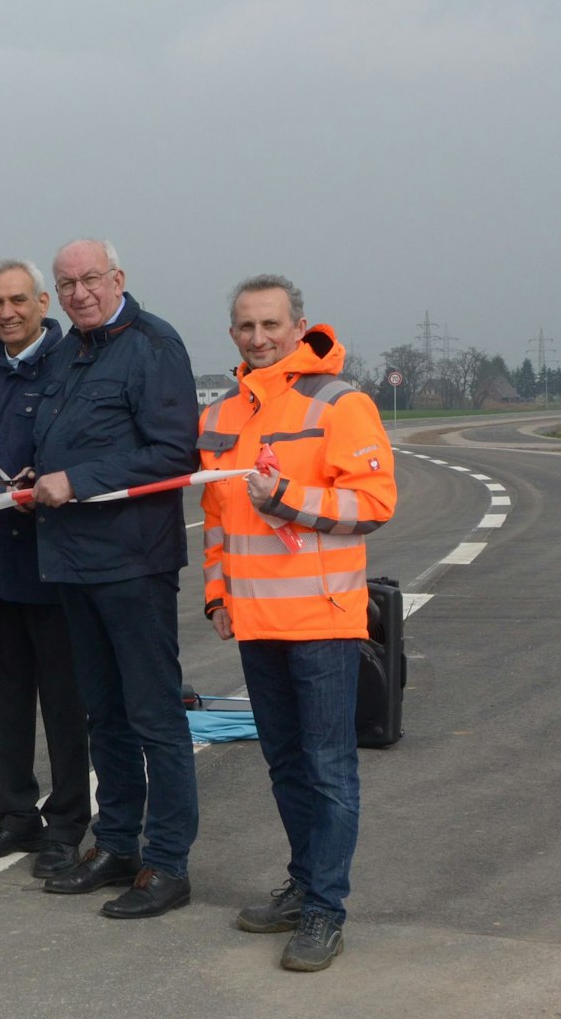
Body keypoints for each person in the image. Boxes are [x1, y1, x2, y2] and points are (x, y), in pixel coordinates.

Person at [201, 275, 396, 972]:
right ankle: (304, 882)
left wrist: (285, 495)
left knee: (328, 768)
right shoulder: (221, 415)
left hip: (322, 619)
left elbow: (374, 503)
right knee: (285, 764)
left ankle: (325, 909)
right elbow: (217, 517)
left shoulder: (340, 402)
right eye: (246, 326)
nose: (258, 338)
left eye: (271, 324)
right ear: (232, 333)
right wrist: (218, 595)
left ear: (298, 325)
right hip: (256, 622)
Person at [30, 238, 202, 918]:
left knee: (154, 715)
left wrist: (77, 479)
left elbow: (174, 452)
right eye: (66, 284)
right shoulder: (68, 352)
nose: (78, 293)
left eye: (90, 279)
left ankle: (168, 862)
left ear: (118, 278)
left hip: (133, 563)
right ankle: (117, 844)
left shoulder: (153, 344)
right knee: (103, 715)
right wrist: (40, 473)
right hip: (74, 561)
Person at [0, 260, 93, 879]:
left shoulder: (73, 363)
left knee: (65, 706)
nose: (6, 313)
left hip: (55, 565)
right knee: (3, 701)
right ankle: (15, 816)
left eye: (17, 300)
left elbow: (82, 449)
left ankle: (66, 825)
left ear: (43, 302)